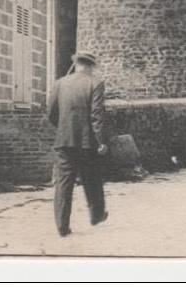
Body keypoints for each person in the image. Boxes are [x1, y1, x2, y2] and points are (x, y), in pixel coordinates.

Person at [47, 51, 108, 237]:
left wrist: (64, 130)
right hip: (87, 141)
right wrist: (101, 141)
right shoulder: (95, 83)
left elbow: (51, 113)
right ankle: (96, 215)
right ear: (90, 66)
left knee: (63, 184)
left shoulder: (60, 83)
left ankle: (62, 226)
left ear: (76, 64)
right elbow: (96, 115)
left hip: (64, 141)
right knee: (92, 178)